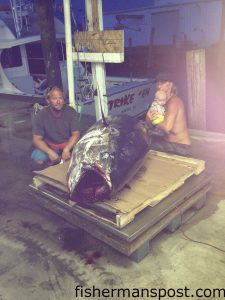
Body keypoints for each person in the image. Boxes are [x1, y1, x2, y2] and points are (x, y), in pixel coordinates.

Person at [31, 86, 80, 170]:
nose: (58, 101)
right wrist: (50, 153)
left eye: (60, 98)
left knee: (80, 160)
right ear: (48, 100)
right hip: (51, 146)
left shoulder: (71, 112)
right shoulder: (41, 115)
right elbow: (37, 139)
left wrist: (67, 149)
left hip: (67, 146)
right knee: (37, 158)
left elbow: (76, 134)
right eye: (54, 98)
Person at [145, 73, 191, 156]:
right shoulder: (159, 100)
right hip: (168, 143)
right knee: (145, 137)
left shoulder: (174, 102)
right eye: (158, 84)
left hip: (181, 147)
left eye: (162, 84)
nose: (159, 86)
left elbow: (167, 128)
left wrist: (154, 120)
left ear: (170, 85)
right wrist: (149, 118)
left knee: (145, 147)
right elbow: (148, 121)